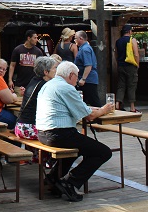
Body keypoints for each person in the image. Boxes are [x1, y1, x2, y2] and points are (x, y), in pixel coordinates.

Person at [36, 61, 114, 202]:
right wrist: (104, 110)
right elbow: (89, 116)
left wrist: (93, 110)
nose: (77, 80)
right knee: (103, 152)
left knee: (77, 146)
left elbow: (81, 110)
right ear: (71, 75)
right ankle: (70, 183)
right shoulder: (66, 88)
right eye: (76, 76)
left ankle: (53, 178)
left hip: (42, 133)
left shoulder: (49, 85)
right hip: (58, 134)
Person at [15, 55, 61, 140]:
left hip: (21, 126)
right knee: (62, 137)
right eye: (55, 68)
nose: (57, 71)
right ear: (46, 72)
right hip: (29, 128)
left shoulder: (34, 80)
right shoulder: (44, 86)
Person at [115, 25, 140, 112]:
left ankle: (117, 104)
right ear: (129, 31)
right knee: (131, 86)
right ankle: (132, 107)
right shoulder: (132, 40)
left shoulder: (118, 41)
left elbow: (116, 54)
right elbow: (136, 54)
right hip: (130, 65)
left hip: (121, 65)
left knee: (121, 85)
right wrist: (137, 64)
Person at [74, 31, 101, 107]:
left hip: (88, 80)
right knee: (84, 101)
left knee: (94, 101)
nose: (74, 40)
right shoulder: (83, 48)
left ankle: (102, 116)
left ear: (81, 38)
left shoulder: (85, 49)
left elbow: (88, 65)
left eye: (75, 38)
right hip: (87, 79)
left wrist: (83, 79)